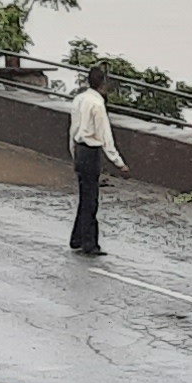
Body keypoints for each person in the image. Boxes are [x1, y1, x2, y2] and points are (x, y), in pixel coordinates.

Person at [65, 65, 112, 255]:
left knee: (85, 195)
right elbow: (105, 135)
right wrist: (117, 161)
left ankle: (77, 237)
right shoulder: (97, 105)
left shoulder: (79, 99)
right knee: (91, 199)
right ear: (103, 84)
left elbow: (73, 128)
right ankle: (89, 242)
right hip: (91, 151)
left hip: (79, 149)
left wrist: (72, 151)